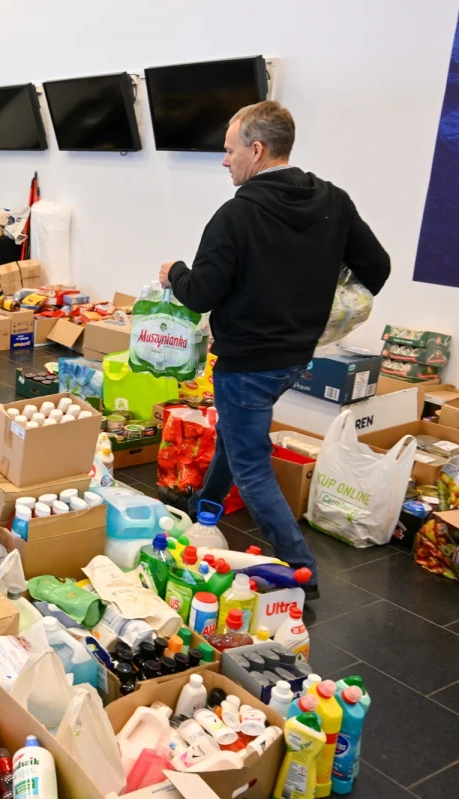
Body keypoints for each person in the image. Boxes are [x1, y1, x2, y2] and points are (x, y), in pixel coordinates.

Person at [159, 101, 391, 597]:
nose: (225, 161)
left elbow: (202, 293)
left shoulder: (236, 215)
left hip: (247, 361)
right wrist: (315, 308)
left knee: (252, 463)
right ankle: (206, 508)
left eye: (229, 150)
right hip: (295, 357)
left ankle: (303, 573)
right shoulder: (332, 200)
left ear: (257, 149)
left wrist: (174, 272)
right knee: (237, 435)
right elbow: (377, 266)